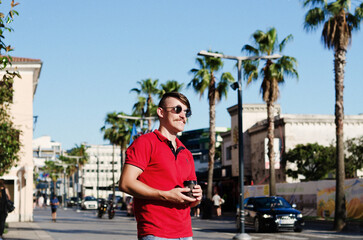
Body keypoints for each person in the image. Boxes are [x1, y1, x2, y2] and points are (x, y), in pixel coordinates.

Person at [119, 92, 202, 240]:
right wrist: (166, 195)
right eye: (177, 109)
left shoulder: (187, 153)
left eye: (186, 111)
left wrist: (197, 197)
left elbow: (192, 202)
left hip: (186, 234)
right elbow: (126, 183)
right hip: (156, 233)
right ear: (161, 112)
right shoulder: (145, 143)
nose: (183, 115)